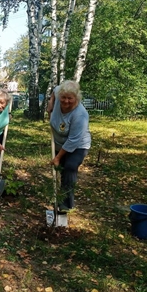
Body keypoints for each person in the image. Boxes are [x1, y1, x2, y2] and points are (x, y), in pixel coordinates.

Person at [49, 80, 91, 212]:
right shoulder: (58, 93)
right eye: (63, 98)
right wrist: (50, 103)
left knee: (70, 167)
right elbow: (55, 91)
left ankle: (66, 205)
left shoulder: (80, 115)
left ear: (76, 98)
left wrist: (57, 157)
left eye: (70, 98)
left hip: (78, 145)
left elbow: (73, 140)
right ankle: (60, 197)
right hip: (59, 142)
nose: (66, 101)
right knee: (61, 170)